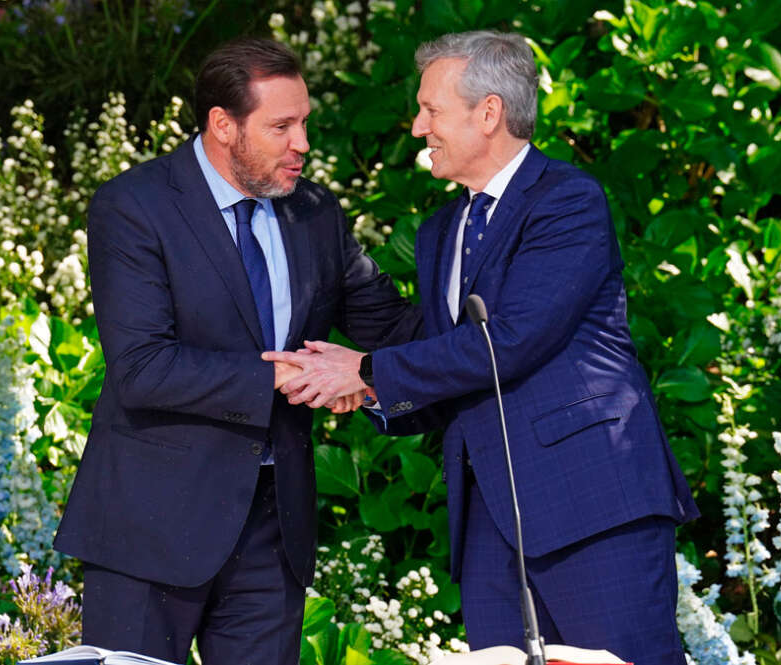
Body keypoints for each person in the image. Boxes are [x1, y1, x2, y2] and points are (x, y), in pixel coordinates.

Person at [263, 31, 699, 665]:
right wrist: (369, 389)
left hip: (593, 508)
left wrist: (363, 368)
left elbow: (512, 342)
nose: (417, 128)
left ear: (488, 112)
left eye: (431, 110)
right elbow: (454, 364)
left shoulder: (567, 202)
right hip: (489, 526)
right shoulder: (442, 229)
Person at [53, 38, 421, 665]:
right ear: (222, 125)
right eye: (282, 126)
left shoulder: (315, 211)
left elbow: (390, 326)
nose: (302, 143)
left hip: (274, 535)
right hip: (150, 528)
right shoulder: (132, 206)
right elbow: (142, 367)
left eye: (304, 122)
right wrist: (294, 377)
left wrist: (488, 331)